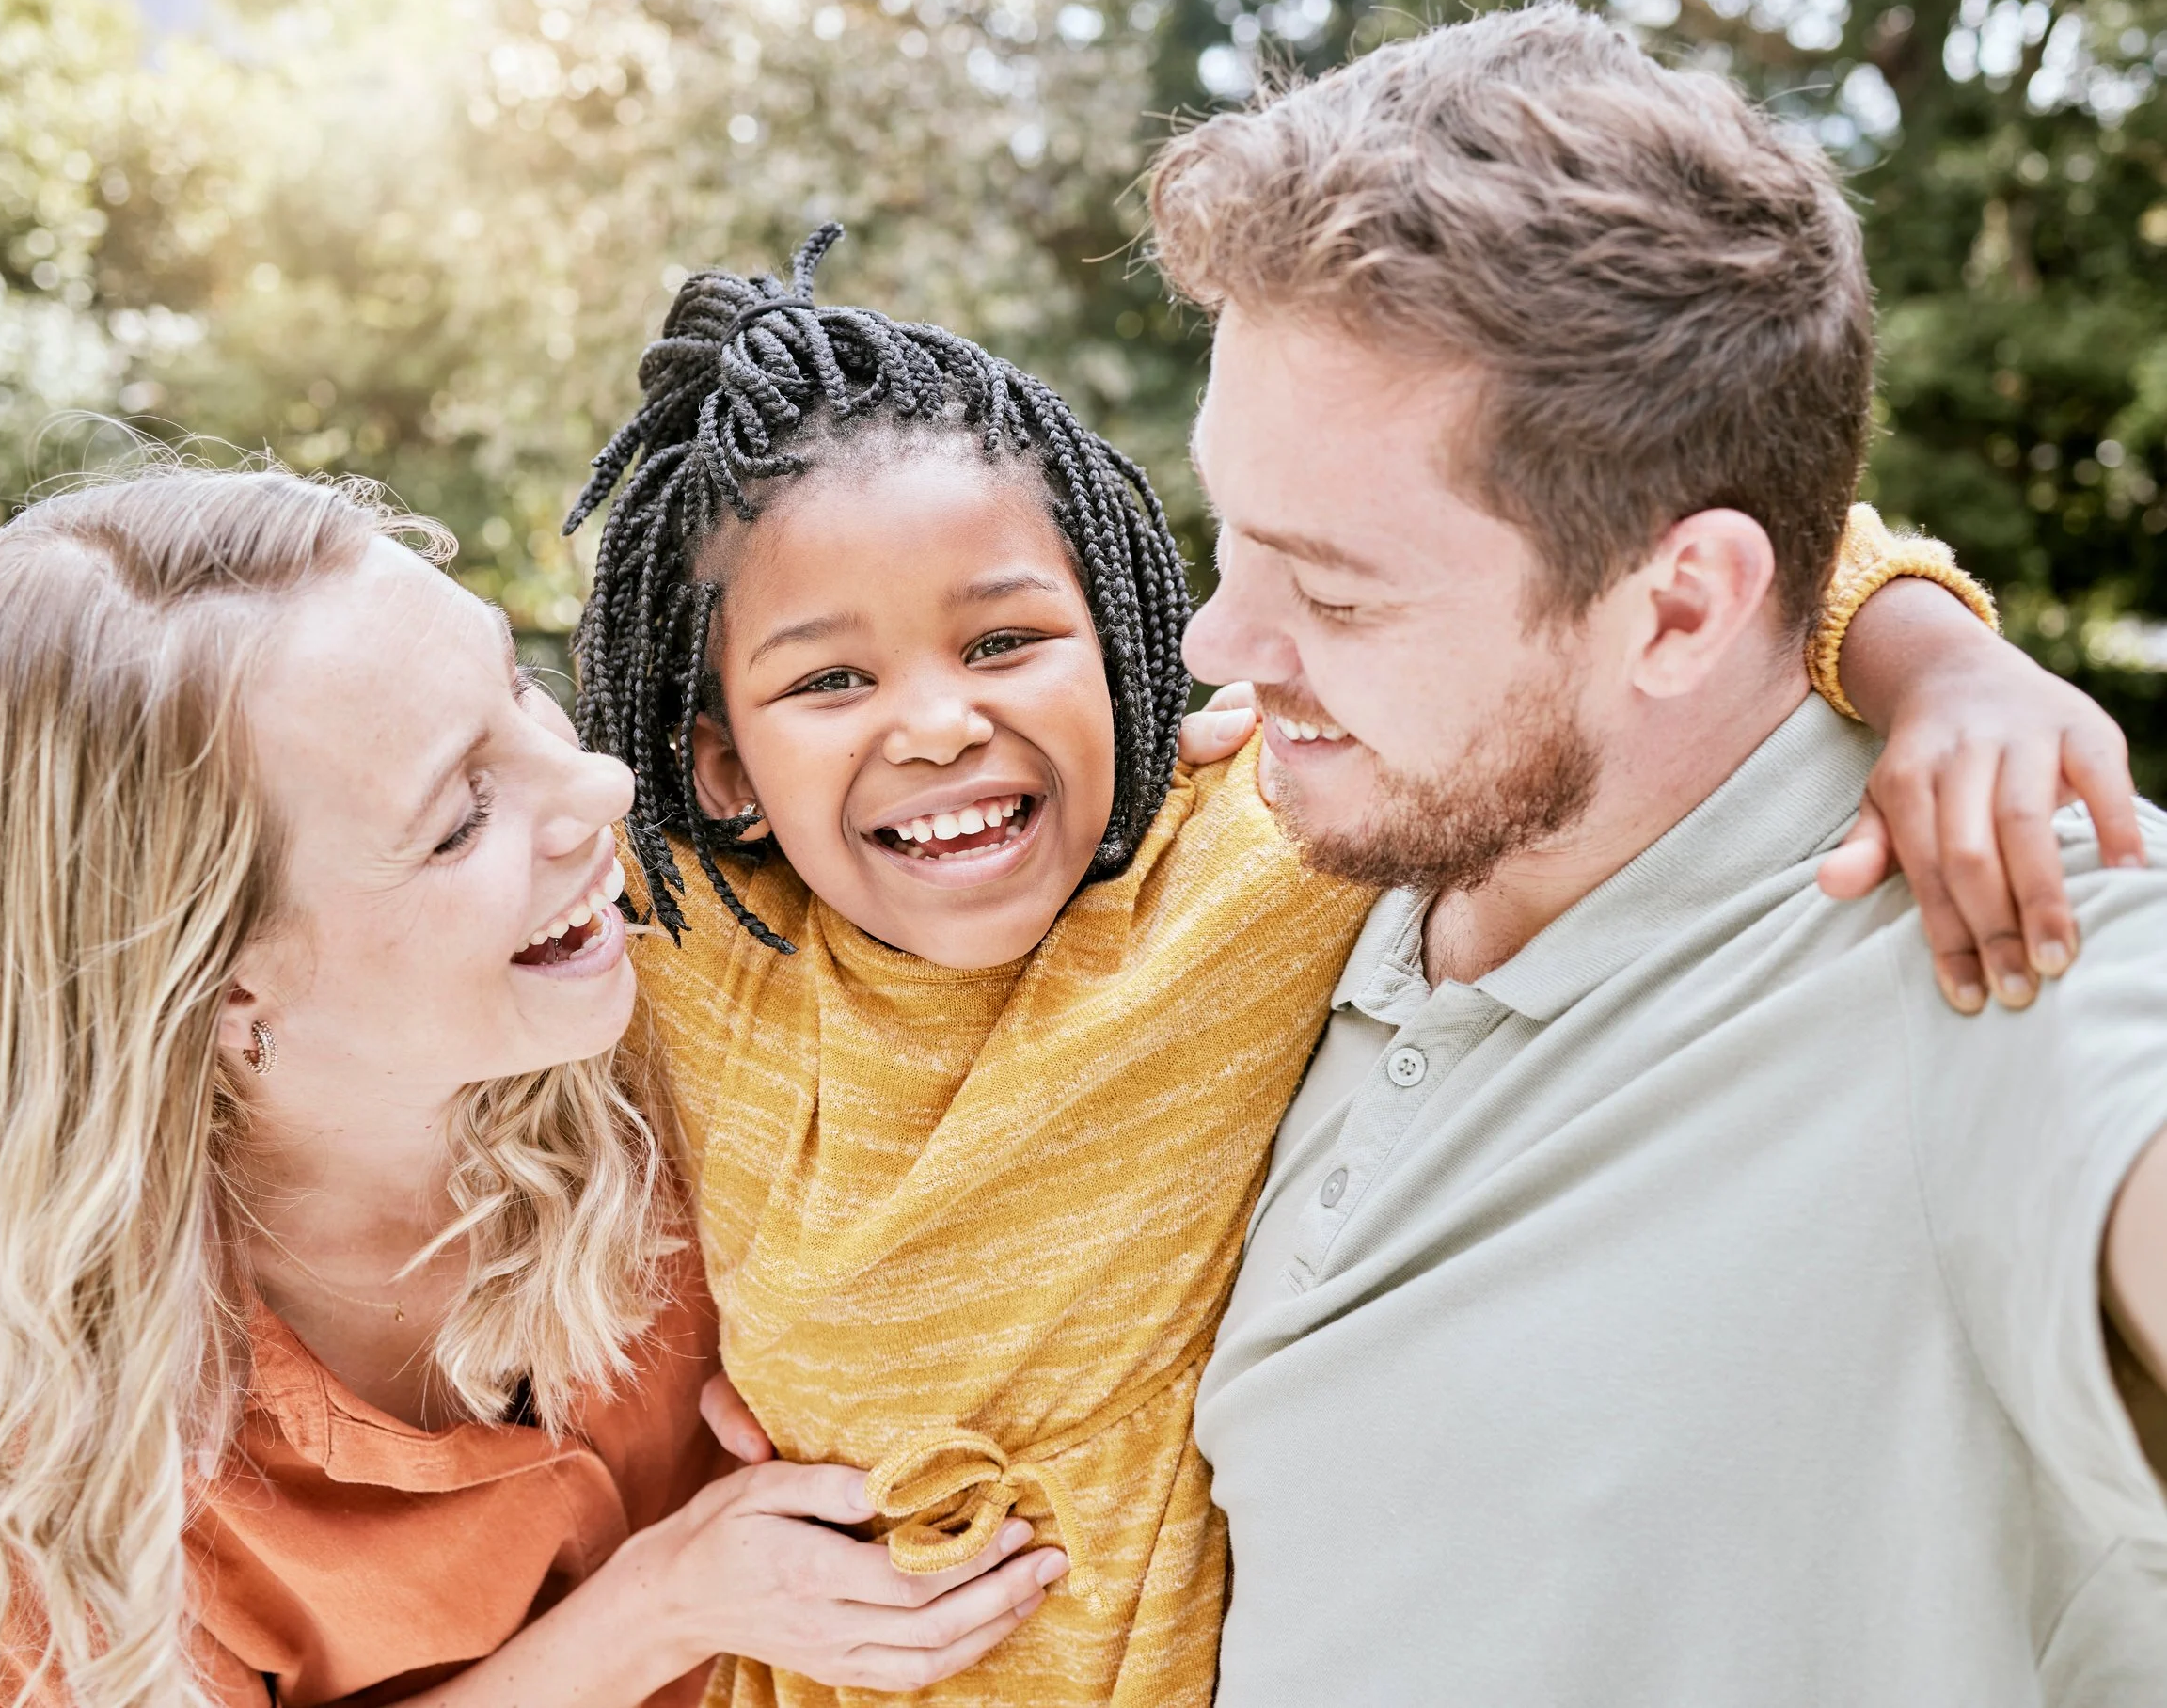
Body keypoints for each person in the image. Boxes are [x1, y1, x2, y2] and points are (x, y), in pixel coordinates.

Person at [558, 227, 2119, 1706]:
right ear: (719, 765)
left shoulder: (1258, 858)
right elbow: (388, 794)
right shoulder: (680, 952)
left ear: (1116, 631)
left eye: (1005, 641)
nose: (938, 722)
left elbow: (1652, 534)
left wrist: (1948, 663)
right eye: (829, 677)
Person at [1146, 8, 2167, 1700]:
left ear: (1681, 606)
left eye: (1333, 592)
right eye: (1227, 535)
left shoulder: (2013, 940)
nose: (1217, 641)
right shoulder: (1288, 867)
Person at [0, 467, 1067, 1708]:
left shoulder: (700, 982)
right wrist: (663, 1608)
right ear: (221, 987)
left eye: (518, 689)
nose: (600, 791)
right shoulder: (54, 1380)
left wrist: (1161, 781)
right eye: (460, 818)